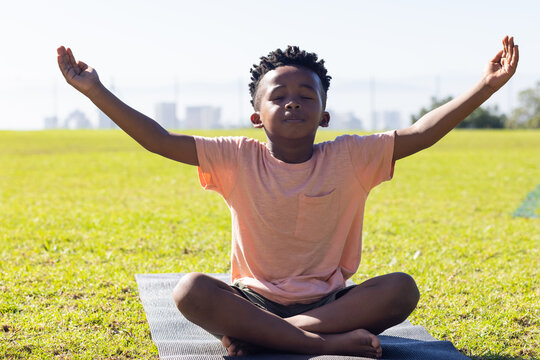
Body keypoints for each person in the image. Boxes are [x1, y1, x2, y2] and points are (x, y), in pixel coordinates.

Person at [57, 36, 518, 358]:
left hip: (332, 306)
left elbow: (422, 131)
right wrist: (94, 88)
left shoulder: (352, 156)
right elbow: (158, 138)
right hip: (253, 304)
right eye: (278, 96)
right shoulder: (236, 157)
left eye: (306, 95)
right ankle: (312, 344)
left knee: (401, 289)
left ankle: (271, 339)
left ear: (324, 114)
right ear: (257, 116)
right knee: (190, 290)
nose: (293, 102)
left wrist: (487, 85)